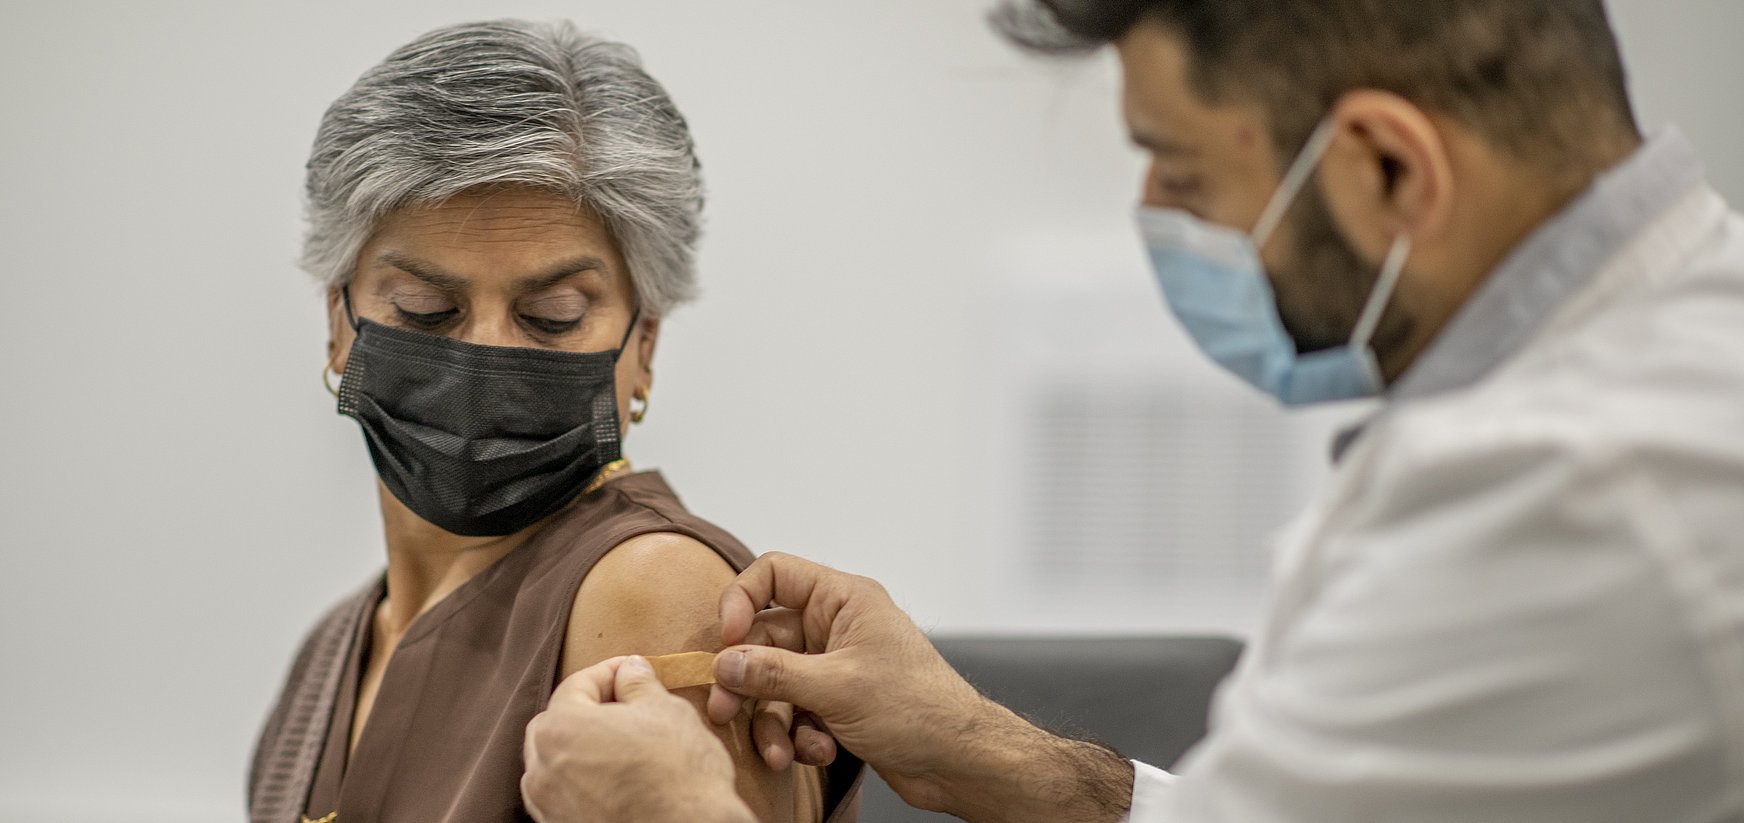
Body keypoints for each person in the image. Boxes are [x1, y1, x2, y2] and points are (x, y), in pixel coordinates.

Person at [520, 0, 1744, 821]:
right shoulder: (1675, 359)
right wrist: (998, 754)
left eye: (1187, 170)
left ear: (1387, 168)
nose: (1154, 212)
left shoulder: (1568, 489)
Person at [247, 20, 861, 823]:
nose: (486, 362)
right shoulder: (331, 648)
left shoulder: (650, 590)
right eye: (426, 310)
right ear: (340, 323)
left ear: (642, 347)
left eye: (552, 315)